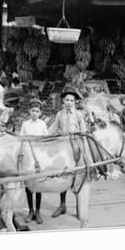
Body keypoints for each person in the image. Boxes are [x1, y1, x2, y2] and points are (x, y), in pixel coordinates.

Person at [47, 86, 87, 218]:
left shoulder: (78, 114)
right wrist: (45, 137)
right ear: (63, 102)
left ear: (75, 102)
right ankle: (62, 205)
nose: (69, 103)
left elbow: (84, 131)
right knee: (63, 174)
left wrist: (79, 137)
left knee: (77, 175)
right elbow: (52, 130)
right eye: (67, 100)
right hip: (63, 147)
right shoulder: (60, 114)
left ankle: (78, 206)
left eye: (71, 100)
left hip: (76, 146)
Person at [20, 99, 48, 224]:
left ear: (40, 112)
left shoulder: (42, 124)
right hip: (28, 157)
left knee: (39, 184)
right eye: (33, 111)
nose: (35, 113)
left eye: (37, 111)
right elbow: (21, 139)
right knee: (29, 185)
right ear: (29, 111)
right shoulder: (25, 124)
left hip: (39, 158)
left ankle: (38, 211)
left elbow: (46, 140)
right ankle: (30, 211)